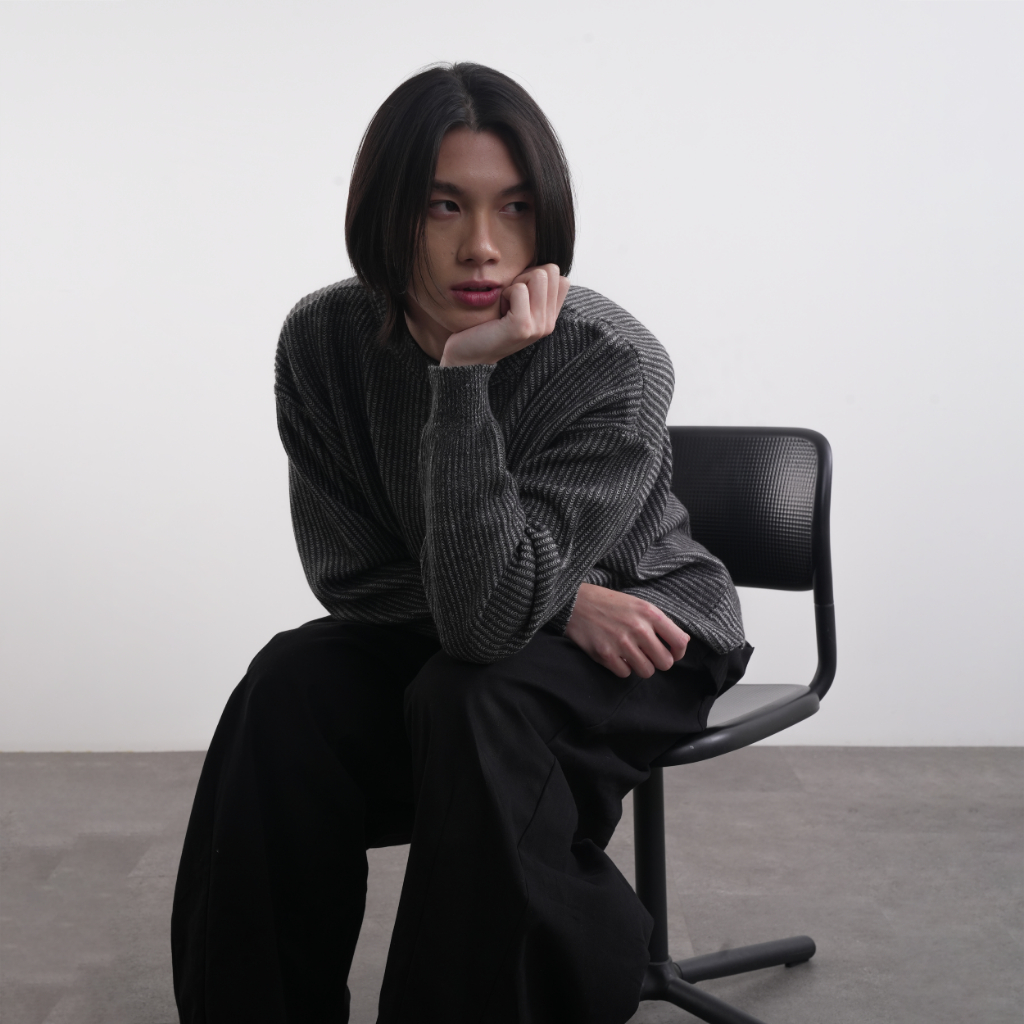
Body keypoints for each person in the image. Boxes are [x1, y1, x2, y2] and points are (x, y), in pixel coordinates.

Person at [171, 62, 751, 1024]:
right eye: (444, 205)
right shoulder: (323, 341)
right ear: (385, 212)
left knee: (473, 695)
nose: (483, 248)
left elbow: (484, 632)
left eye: (515, 208)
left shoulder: (611, 359)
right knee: (287, 686)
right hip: (489, 618)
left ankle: (544, 975)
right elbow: (350, 574)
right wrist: (562, 602)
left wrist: (462, 382)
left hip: (651, 630)